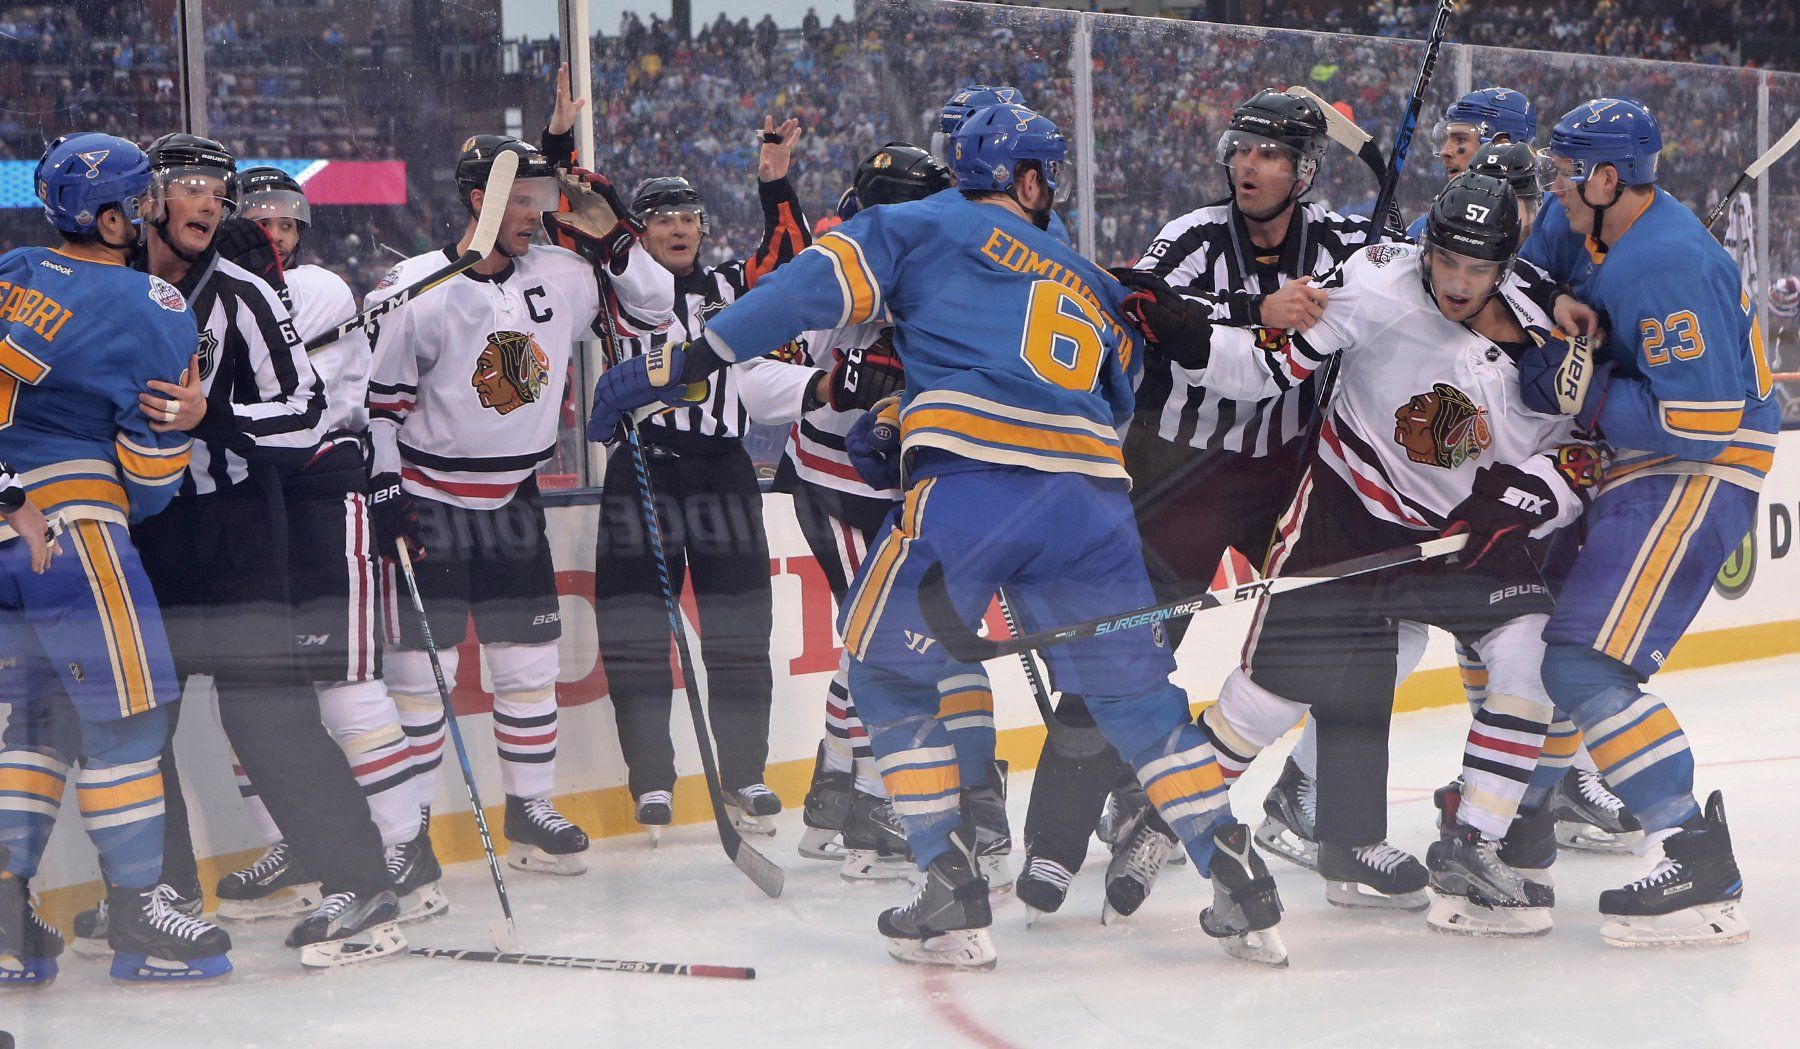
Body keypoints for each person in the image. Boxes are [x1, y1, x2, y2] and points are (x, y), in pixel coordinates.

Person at [590, 103, 1289, 971]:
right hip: (1096, 503)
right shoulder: (1088, 277)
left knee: (884, 673)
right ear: (1030, 180)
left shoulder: (916, 224)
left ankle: (950, 894)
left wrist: (676, 364)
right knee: (1142, 707)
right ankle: (1238, 878)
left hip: (974, 487)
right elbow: (1115, 397)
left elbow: (796, 292)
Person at [1120, 171, 1600, 935]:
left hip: (1466, 537)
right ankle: (1160, 813)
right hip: (1352, 520)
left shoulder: (1554, 320)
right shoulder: (1379, 283)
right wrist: (1187, 336)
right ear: (1428, 247)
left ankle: (1474, 840)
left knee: (1529, 652)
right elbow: (1269, 367)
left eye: (1477, 270)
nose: (1456, 282)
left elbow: (1584, 451)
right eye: (1446, 262)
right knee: (1271, 696)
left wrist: (1534, 496)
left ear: (1505, 266)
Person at [1018, 88, 1390, 923]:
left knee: (1358, 632)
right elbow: (1144, 305)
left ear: (1304, 170)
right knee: (1120, 647)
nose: (1248, 165)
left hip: (1287, 471)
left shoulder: (1339, 241)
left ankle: (1350, 830)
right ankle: (1054, 840)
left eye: (1270, 154)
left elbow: (1409, 279)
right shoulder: (1190, 236)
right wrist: (1260, 310)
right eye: (1241, 149)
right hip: (1175, 471)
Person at [88, 132, 404, 968]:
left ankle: (362, 878)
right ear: (147, 196)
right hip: (141, 531)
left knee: (267, 715)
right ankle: (164, 893)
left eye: (217, 190)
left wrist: (209, 419)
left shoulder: (248, 297)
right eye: (189, 184)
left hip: (236, 527)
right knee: (139, 724)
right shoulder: (105, 291)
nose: (207, 203)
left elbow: (306, 413)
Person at [367, 114, 672, 876]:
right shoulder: (415, 289)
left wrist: (615, 240)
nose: (538, 211)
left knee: (529, 662)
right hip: (430, 500)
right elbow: (379, 409)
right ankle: (407, 835)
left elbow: (656, 310)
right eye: (524, 197)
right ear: (479, 198)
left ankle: (529, 810)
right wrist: (382, 492)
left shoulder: (563, 277)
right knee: (418, 676)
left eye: (542, 195)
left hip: (515, 502)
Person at [1515, 98, 1775, 946]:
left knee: (1583, 664)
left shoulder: (1663, 263)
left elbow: (1703, 419)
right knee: (1557, 638)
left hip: (1694, 471)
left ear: (1606, 177)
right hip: (1641, 466)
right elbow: (1530, 270)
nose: (1552, 184)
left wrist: (1579, 386)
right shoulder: (1587, 220)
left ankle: (1692, 851)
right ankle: (1526, 821)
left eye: (1565, 169)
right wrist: (1556, 308)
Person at [0, 132, 232, 984]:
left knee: (34, 722)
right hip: (73, 530)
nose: (145, 215)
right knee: (129, 718)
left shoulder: (15, 267)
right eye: (137, 203)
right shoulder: (154, 306)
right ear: (107, 214)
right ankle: (139, 911)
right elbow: (151, 466)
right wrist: (186, 422)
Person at [208, 166, 442, 925]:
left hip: (322, 486)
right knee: (269, 690)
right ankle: (295, 841)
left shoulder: (320, 290)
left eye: (284, 220)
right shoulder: (225, 289)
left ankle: (407, 843)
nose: (272, 230)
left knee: (346, 681)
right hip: (262, 500)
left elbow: (282, 380)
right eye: (258, 220)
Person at [784, 142, 1009, 885]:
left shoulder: (932, 257)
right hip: (835, 482)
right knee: (881, 643)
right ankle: (869, 804)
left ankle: (834, 788)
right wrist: (833, 381)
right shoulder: (841, 259)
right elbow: (777, 364)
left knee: (885, 637)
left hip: (902, 484)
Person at [589, 117, 816, 841]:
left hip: (724, 470)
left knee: (742, 632)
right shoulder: (622, 290)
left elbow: (792, 259)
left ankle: (744, 772)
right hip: (645, 467)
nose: (679, 227)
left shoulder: (730, 286)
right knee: (635, 634)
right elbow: (588, 225)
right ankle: (652, 779)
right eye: (662, 218)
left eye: (689, 215)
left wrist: (775, 179)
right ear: (643, 232)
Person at [1405, 86, 1537, 240]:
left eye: (1460, 139)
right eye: (1446, 139)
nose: (1444, 151)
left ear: (1501, 145)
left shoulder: (1549, 224)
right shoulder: (1424, 227)